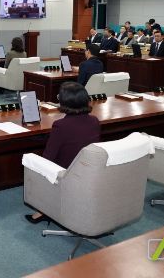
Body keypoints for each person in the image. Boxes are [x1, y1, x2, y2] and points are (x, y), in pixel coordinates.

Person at [25, 82, 101, 223]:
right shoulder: (94, 121)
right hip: (88, 170)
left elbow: (48, 158)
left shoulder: (61, 125)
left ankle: (44, 209)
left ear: (64, 102)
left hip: (66, 173)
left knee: (33, 162)